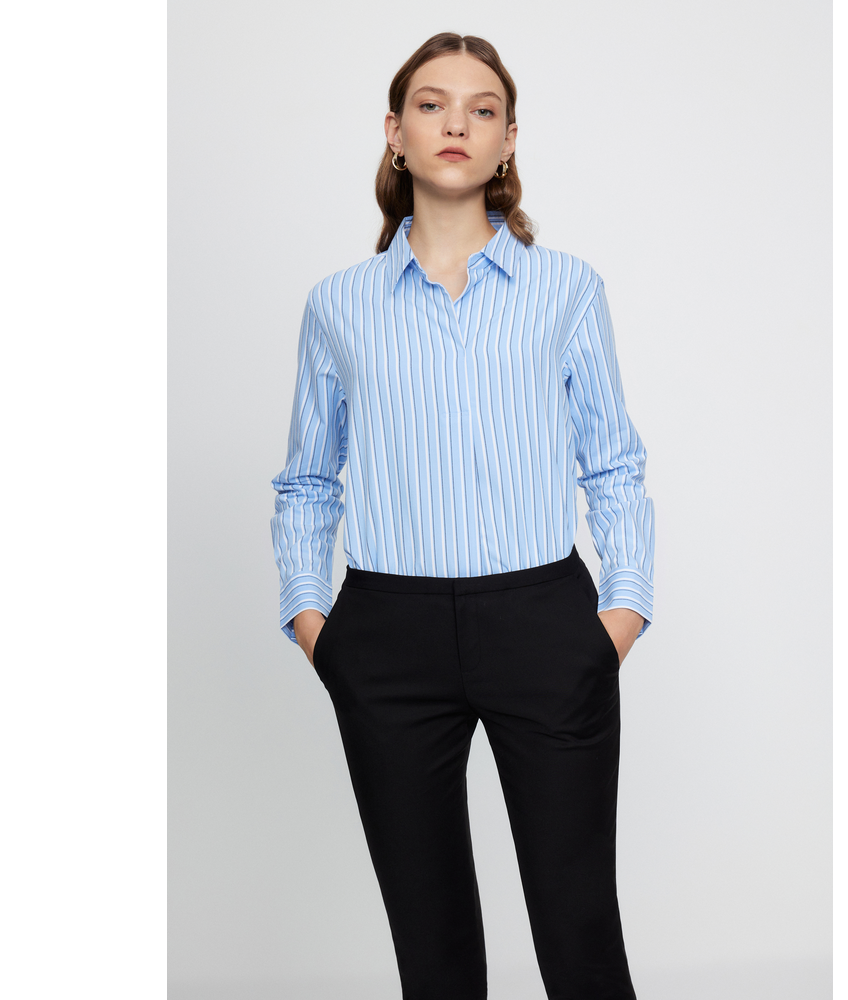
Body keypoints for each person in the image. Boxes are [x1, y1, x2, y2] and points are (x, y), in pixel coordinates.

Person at [270, 31, 654, 1000]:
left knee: (578, 928)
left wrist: (620, 613)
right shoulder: (339, 305)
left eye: (482, 109)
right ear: (395, 133)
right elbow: (308, 481)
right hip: (387, 631)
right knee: (430, 944)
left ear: (507, 140)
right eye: (432, 105)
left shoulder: (567, 290)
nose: (457, 123)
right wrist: (316, 625)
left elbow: (612, 462)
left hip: (542, 619)